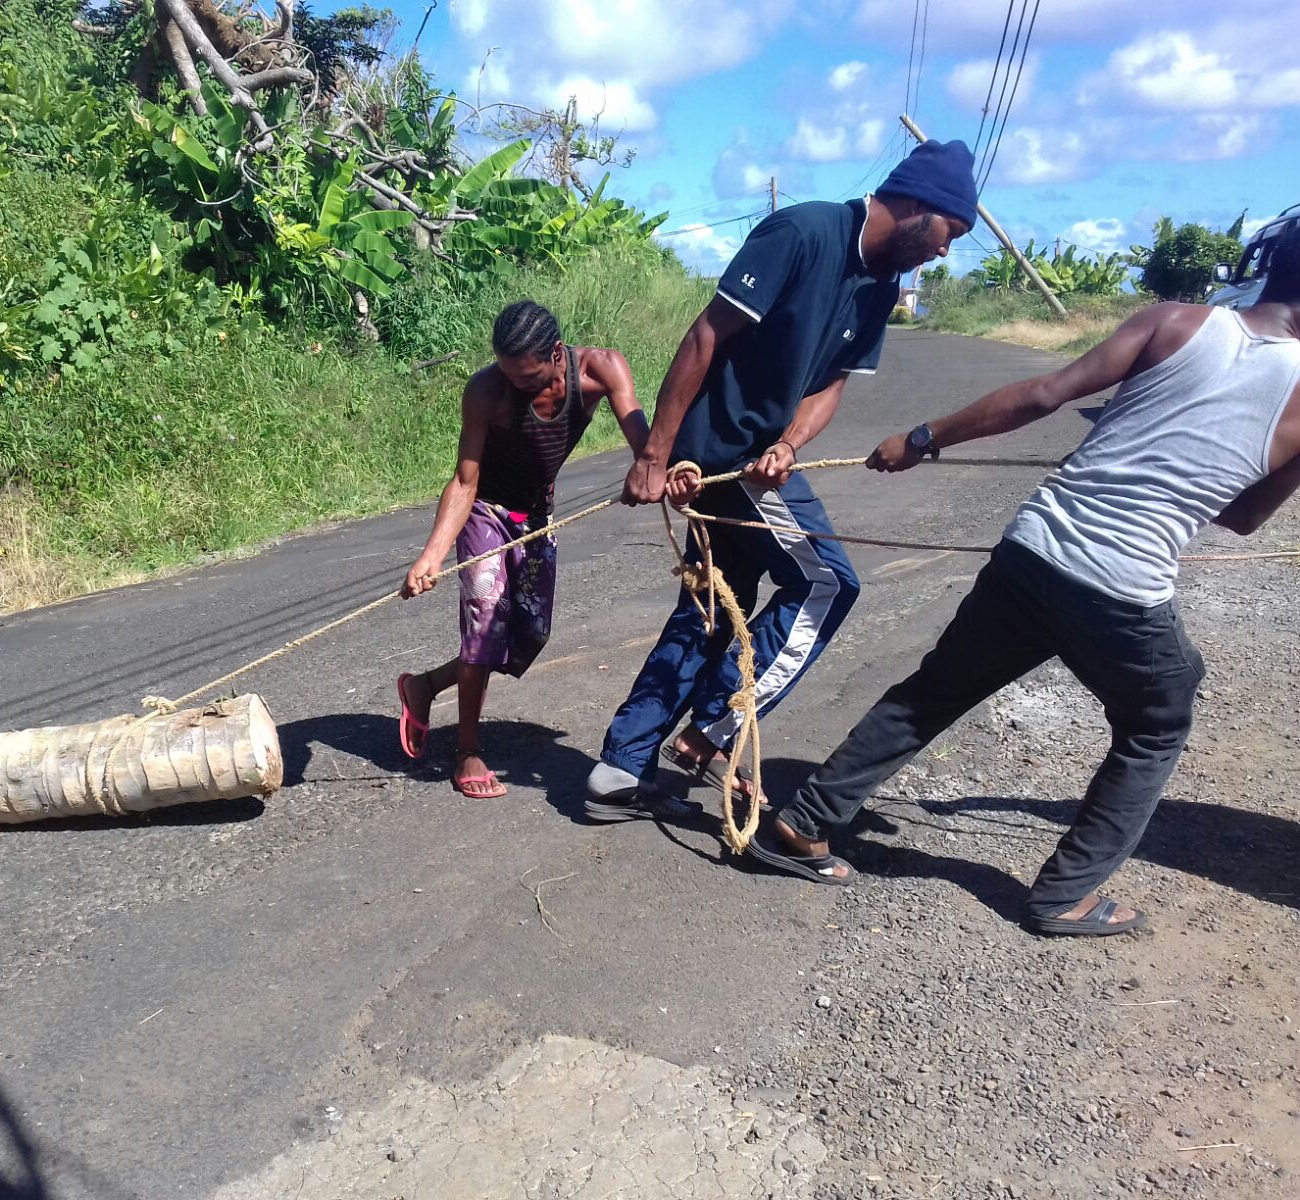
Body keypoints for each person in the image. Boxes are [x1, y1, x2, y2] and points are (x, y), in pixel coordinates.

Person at [748, 219, 1300, 936]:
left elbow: (1043, 394)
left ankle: (803, 822)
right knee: (1158, 721)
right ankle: (1064, 895)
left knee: (933, 692)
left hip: (1033, 550)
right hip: (1123, 589)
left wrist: (922, 438)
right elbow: (1246, 517)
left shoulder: (1176, 321)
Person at [585, 140, 977, 820]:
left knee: (711, 610)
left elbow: (829, 386)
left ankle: (620, 768)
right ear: (918, 205)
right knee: (827, 583)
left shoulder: (881, 285)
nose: (946, 250)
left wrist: (790, 443)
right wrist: (654, 453)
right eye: (952, 231)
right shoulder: (802, 231)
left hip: (760, 460)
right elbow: (706, 335)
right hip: (720, 457)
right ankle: (716, 728)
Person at [397, 300, 660, 801]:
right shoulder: (485, 391)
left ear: (557, 354)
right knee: (486, 620)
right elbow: (464, 479)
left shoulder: (603, 369)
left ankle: (425, 686)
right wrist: (432, 555)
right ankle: (467, 752)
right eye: (506, 373)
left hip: (536, 516)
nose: (515, 384)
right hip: (485, 511)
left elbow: (643, 443)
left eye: (527, 376)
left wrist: (654, 469)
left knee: (529, 637)